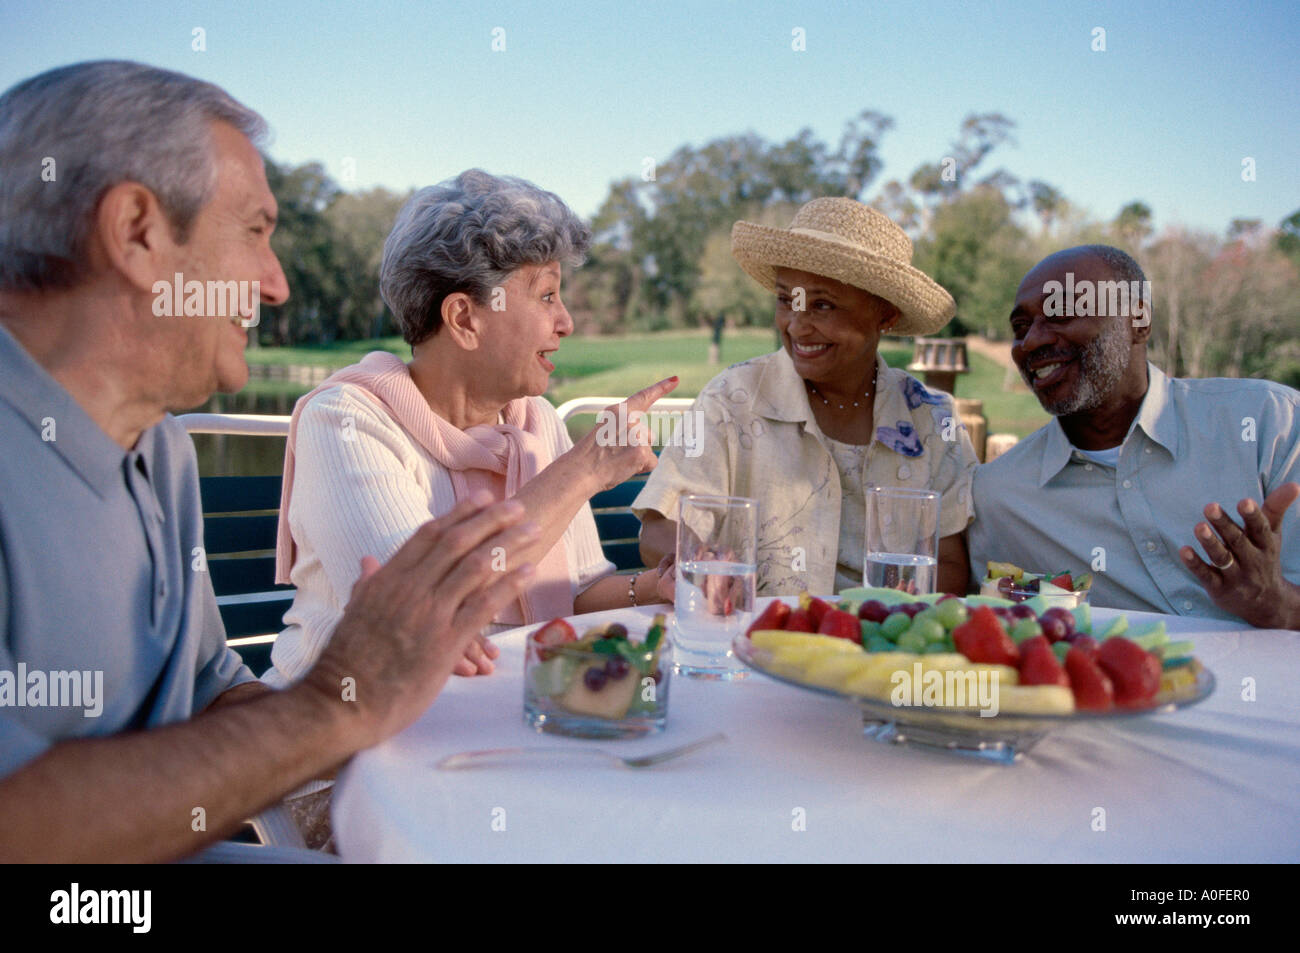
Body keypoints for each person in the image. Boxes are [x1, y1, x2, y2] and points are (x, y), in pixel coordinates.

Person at [0, 60, 538, 862]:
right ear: (138, 232)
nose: (278, 283)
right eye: (255, 231)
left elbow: (214, 695)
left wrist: (391, 698)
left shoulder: (163, 451)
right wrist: (333, 703)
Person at [266, 170, 676, 697]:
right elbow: (423, 612)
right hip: (349, 743)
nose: (567, 321)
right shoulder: (346, 422)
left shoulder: (535, 421)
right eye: (546, 295)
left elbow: (574, 591)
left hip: (506, 712)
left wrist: (656, 584)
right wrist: (586, 468)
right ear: (464, 317)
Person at [636, 198, 979, 596]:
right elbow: (659, 530)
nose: (797, 326)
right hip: (758, 639)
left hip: (882, 643)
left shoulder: (933, 420)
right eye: (786, 301)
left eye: (823, 305)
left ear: (885, 316)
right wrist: (705, 560)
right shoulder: (731, 400)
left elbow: (950, 561)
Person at [967, 245, 1300, 629]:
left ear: (1139, 320)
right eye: (1020, 328)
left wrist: (1275, 604)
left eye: (1062, 313)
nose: (1031, 342)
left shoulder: (1270, 425)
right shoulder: (998, 497)